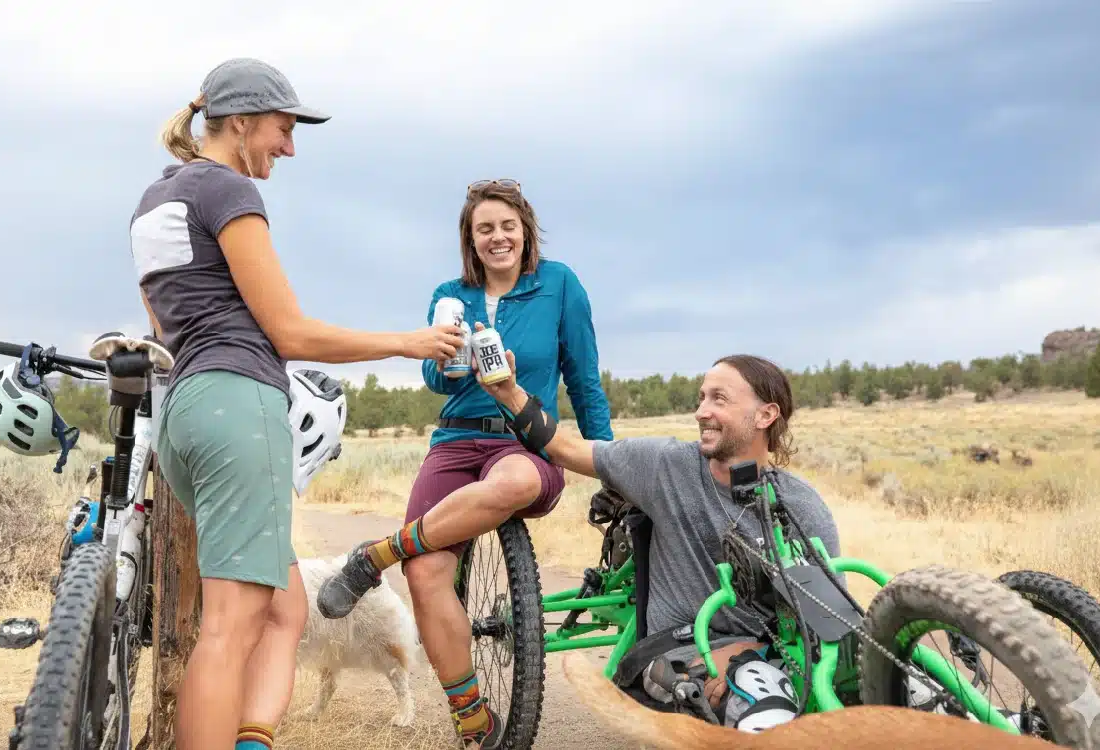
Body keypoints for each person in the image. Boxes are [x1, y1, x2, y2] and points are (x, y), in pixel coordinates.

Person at [130, 58, 465, 750]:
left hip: (185, 415)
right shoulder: (226, 190)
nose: (289, 146)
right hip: (239, 406)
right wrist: (408, 342)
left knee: (285, 610)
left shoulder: (153, 202)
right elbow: (289, 331)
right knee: (228, 626)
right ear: (244, 122)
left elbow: (164, 327)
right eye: (283, 129)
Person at [316, 179, 614, 748]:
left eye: (507, 226)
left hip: (524, 439)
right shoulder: (449, 293)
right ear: (469, 239)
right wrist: (445, 357)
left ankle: (379, 551)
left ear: (525, 229)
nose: (497, 237)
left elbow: (585, 381)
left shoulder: (559, 285)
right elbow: (434, 378)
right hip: (455, 442)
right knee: (427, 573)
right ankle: (471, 717)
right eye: (484, 229)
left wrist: (611, 463)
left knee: (520, 480)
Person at [474, 347, 844, 733]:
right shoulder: (666, 466)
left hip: (770, 652)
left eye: (719, 399)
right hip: (680, 646)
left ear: (766, 415)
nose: (702, 411)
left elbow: (827, 623)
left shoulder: (801, 507)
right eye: (701, 398)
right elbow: (564, 449)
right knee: (766, 716)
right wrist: (508, 393)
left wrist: (754, 648)